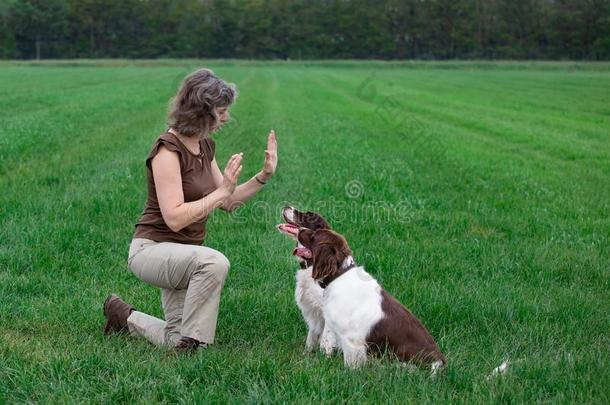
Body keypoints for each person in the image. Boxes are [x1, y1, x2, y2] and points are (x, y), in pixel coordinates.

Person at [102, 68, 278, 352]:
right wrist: (221, 192)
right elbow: (174, 217)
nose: (226, 118)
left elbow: (228, 202)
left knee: (174, 340)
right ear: (202, 112)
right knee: (214, 262)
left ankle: (122, 315)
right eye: (221, 111)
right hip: (152, 250)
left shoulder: (205, 145)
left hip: (185, 256)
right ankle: (194, 342)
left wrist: (264, 176)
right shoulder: (167, 151)